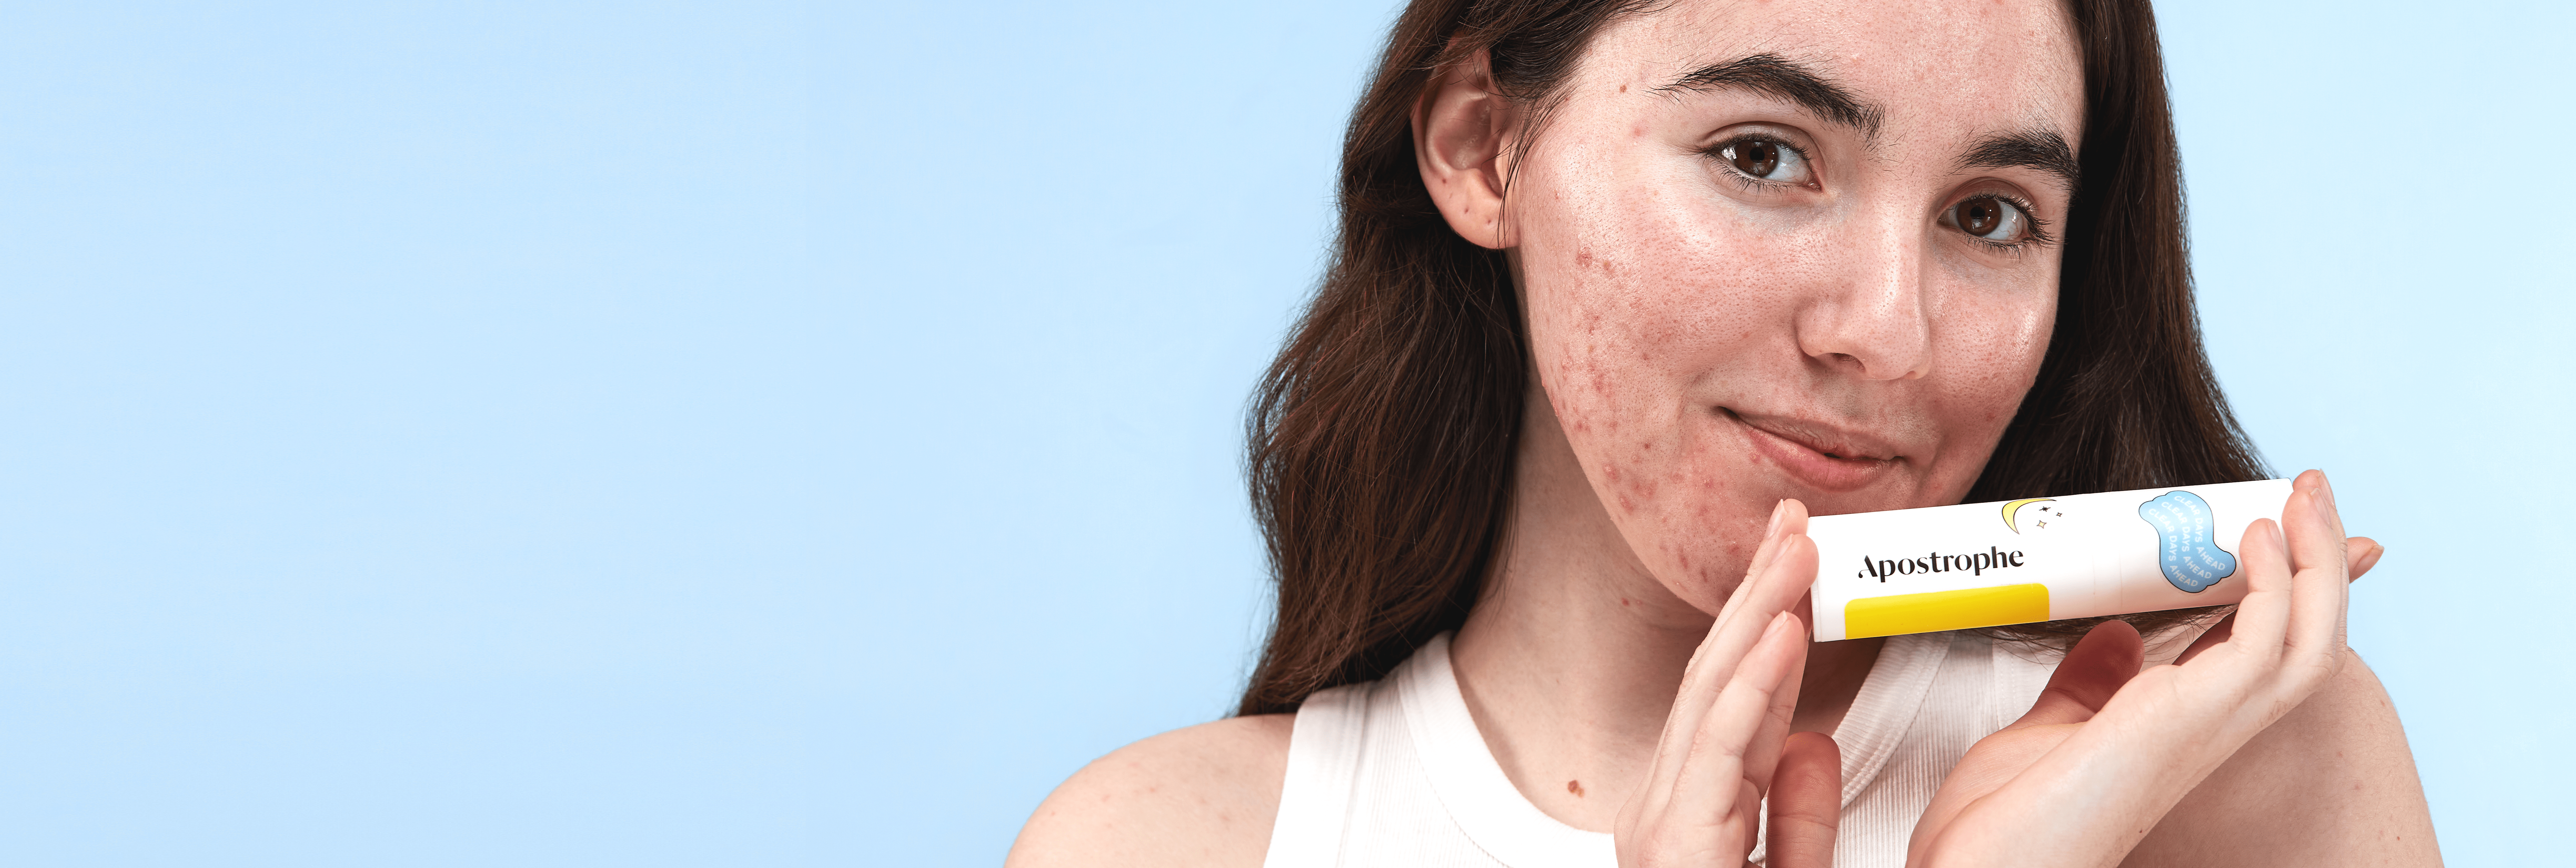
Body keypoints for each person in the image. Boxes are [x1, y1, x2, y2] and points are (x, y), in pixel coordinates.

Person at [1008, 0, 2440, 864]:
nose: (1887, 328)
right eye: (1761, 154)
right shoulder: (1160, 844)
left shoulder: (2233, 770)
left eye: (1989, 214)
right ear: (1477, 146)